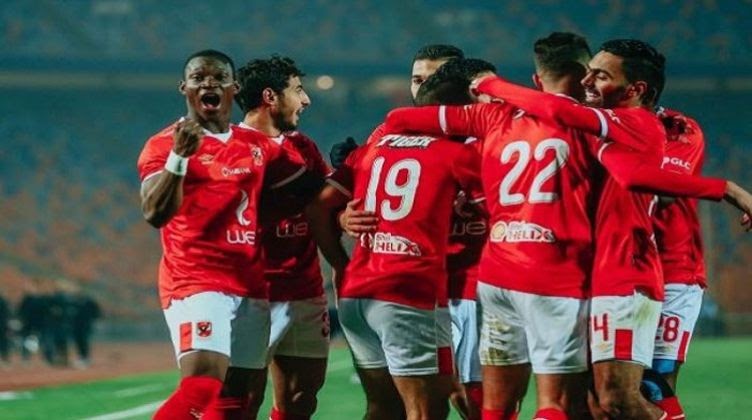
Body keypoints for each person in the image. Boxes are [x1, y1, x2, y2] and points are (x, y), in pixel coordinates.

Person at [462, 39, 752, 419]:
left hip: (667, 268)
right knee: (591, 402)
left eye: (600, 75)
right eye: (588, 73)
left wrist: (726, 189)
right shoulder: (589, 126)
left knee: (649, 387)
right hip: (597, 272)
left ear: (635, 88)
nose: (587, 82)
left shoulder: (675, 129)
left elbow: (658, 189)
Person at [138, 49, 312, 419]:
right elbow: (155, 212)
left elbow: (307, 187)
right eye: (198, 78)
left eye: (218, 77)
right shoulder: (164, 145)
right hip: (196, 281)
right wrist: (180, 158)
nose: (209, 84)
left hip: (250, 284)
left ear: (234, 88)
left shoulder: (256, 145)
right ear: (184, 88)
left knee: (240, 401)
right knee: (201, 385)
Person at [307, 82, 486, 419]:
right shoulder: (457, 154)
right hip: (407, 293)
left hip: (358, 295)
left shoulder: (374, 147)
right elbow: (499, 208)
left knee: (385, 408)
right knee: (425, 410)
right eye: (471, 111)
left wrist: (341, 264)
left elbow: (318, 207)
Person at [234, 55, 331, 420]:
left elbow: (324, 202)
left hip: (305, 289)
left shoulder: (303, 145)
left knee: (301, 399)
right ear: (270, 96)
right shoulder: (232, 147)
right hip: (251, 294)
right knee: (243, 401)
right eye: (298, 90)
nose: (306, 100)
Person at [70, 293, 101, 368]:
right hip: (76, 326)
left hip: (85, 325)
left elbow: (97, 313)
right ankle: (82, 357)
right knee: (78, 341)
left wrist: (92, 320)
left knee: (83, 341)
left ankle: (86, 358)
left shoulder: (89, 302)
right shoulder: (74, 303)